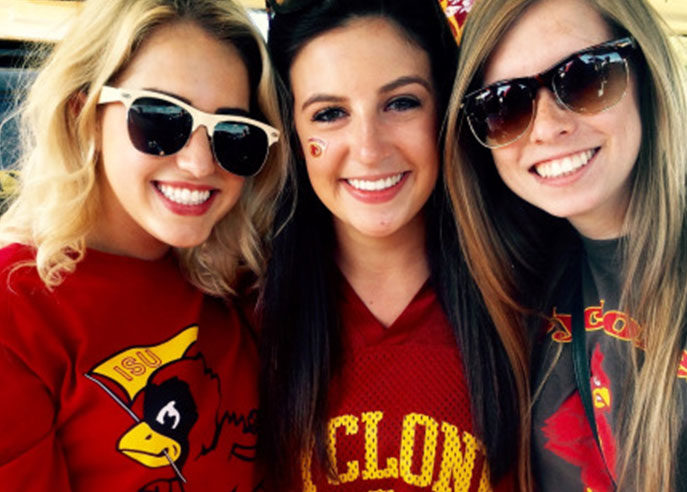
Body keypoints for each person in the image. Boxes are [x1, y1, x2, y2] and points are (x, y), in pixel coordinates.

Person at [0, 0, 285, 490]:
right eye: (160, 118)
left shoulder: (244, 286)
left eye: (233, 134)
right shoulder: (17, 308)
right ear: (86, 115)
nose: (199, 163)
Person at [258, 0, 527, 489]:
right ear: (293, 134)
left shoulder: (530, 295)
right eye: (329, 113)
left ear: (444, 108)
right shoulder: (243, 311)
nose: (368, 149)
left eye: (401, 103)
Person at [444, 0, 687, 489]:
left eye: (584, 77)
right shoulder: (515, 287)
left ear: (645, 73)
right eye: (504, 105)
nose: (546, 127)